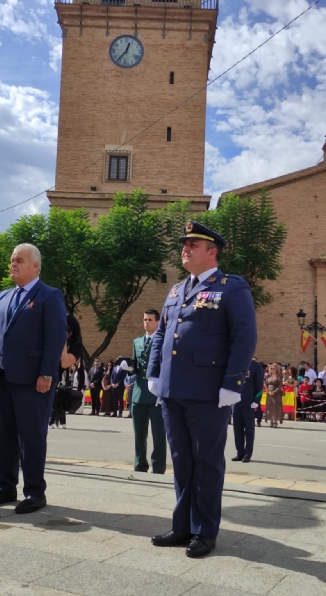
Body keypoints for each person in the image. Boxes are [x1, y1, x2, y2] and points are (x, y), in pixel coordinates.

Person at [147, 220, 256, 559]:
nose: (185, 248)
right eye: (184, 244)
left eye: (193, 245)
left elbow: (244, 337)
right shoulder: (177, 290)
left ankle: (205, 531)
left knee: (207, 461)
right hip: (171, 390)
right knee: (180, 459)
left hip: (209, 392)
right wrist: (153, 372)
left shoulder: (231, 287)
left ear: (212, 253)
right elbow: (163, 334)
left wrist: (232, 383)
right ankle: (182, 525)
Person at [0, 243, 67, 514]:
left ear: (35, 266)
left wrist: (46, 373)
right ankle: (5, 487)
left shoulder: (49, 296)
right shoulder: (2, 297)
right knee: (3, 436)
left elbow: (54, 338)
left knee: (31, 437)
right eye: (12, 260)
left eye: (19, 260)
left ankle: (34, 492)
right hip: (3, 377)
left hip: (33, 379)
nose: (13, 264)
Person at [121, 310, 167, 474]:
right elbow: (135, 368)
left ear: (157, 322)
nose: (146, 322)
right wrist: (129, 368)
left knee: (159, 436)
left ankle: (158, 467)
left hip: (156, 397)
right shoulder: (137, 341)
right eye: (144, 319)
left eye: (150, 320)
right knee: (139, 436)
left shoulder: (163, 341)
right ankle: (140, 465)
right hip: (139, 395)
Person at [51, 314, 83, 429]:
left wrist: (63, 341)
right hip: (43, 375)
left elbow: (65, 362)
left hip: (58, 379)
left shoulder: (76, 345)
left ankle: (58, 421)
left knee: (58, 402)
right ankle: (52, 421)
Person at [232, 359, 264, 462]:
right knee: (237, 429)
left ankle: (248, 454)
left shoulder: (255, 366)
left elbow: (259, 386)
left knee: (249, 430)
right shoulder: (236, 363)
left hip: (249, 402)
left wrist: (256, 400)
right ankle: (239, 453)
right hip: (236, 402)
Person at [265, 364, 284, 428]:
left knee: (276, 408)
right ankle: (271, 421)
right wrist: (268, 391)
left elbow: (280, 385)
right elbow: (265, 384)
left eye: (274, 368)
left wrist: (274, 392)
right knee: (269, 408)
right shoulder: (268, 376)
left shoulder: (279, 376)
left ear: (276, 369)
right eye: (271, 368)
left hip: (276, 394)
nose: (272, 370)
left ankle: (275, 421)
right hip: (269, 393)